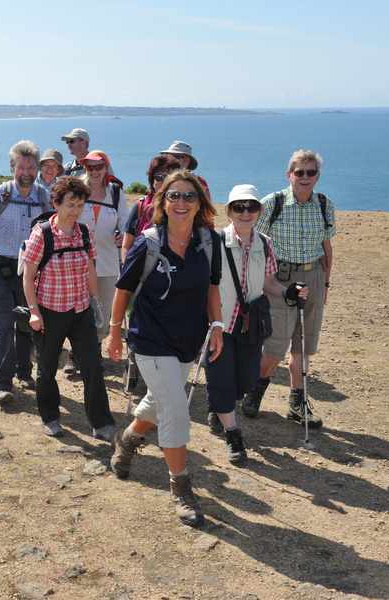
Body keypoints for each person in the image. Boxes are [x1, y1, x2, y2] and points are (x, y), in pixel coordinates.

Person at [107, 170, 223, 528]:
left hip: (188, 339)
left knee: (161, 399)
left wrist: (217, 326)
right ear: (162, 201)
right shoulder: (148, 243)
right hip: (150, 338)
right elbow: (123, 290)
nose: (181, 203)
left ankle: (127, 440)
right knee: (175, 408)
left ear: (200, 203)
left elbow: (213, 287)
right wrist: (114, 332)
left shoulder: (209, 242)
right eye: (174, 196)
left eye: (189, 196)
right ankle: (181, 486)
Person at [204, 184, 309, 464]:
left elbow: (269, 283)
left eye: (251, 207)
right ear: (229, 212)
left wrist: (288, 291)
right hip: (220, 324)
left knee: (246, 379)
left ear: (259, 211)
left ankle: (221, 407)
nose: (245, 212)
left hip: (251, 324)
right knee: (222, 378)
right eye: (239, 207)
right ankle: (233, 435)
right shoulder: (214, 242)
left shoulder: (265, 244)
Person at [243, 150, 336, 428]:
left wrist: (326, 283)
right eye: (300, 172)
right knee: (276, 345)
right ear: (289, 175)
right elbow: (250, 237)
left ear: (317, 176)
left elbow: (326, 247)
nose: (305, 178)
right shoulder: (273, 203)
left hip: (314, 277)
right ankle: (254, 392)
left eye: (311, 172)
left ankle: (297, 403)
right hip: (281, 280)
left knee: (304, 345)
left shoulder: (324, 204)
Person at [23, 177, 116, 439]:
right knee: (47, 366)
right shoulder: (42, 233)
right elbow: (28, 276)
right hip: (50, 311)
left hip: (80, 310)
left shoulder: (84, 232)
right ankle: (50, 417)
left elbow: (89, 268)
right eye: (70, 204)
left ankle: (101, 422)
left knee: (92, 367)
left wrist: (96, 303)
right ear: (56, 203)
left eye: (80, 205)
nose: (75, 210)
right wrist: (33, 311)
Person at [0, 140, 50, 404]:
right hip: (1, 267)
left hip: (32, 269)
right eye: (21, 166)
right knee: (4, 326)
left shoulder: (44, 198)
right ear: (13, 167)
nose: (26, 172)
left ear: (36, 168)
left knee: (28, 323)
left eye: (31, 167)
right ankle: (3, 384)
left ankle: (24, 372)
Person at [79, 150, 130, 341]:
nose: (94, 171)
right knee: (80, 310)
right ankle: (77, 355)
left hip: (108, 263)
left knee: (103, 311)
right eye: (90, 167)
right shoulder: (78, 191)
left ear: (105, 167)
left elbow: (125, 224)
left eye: (98, 166)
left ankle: (95, 350)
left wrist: (121, 236)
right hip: (79, 262)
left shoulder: (116, 193)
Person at [121, 154, 183, 261]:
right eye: (159, 177)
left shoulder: (184, 208)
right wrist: (127, 270)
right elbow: (126, 246)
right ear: (152, 180)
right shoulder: (141, 206)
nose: (164, 181)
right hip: (144, 271)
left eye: (169, 177)